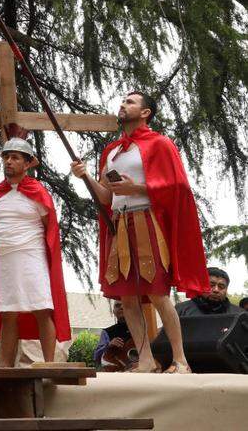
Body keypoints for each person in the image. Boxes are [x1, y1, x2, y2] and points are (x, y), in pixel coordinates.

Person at [71, 91, 209, 373]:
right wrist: (84, 175)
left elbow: (178, 187)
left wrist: (137, 189)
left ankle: (181, 360)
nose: (123, 105)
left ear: (146, 112)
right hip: (120, 225)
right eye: (122, 101)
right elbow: (106, 198)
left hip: (148, 221)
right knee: (127, 297)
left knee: (158, 292)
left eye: (130, 102)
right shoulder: (112, 151)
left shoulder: (160, 144)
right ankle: (146, 359)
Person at [0, 129, 70, 366]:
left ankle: (50, 363)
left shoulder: (37, 192)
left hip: (32, 257)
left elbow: (49, 228)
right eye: (6, 156)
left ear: (28, 163)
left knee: (41, 308)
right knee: (8, 314)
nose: (9, 161)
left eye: (16, 157)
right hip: (5, 260)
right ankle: (6, 367)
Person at [93, 300, 135, 371]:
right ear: (113, 311)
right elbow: (96, 357)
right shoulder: (106, 332)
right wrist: (108, 345)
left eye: (124, 305)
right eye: (117, 305)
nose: (121, 307)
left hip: (138, 370)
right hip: (115, 372)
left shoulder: (139, 330)